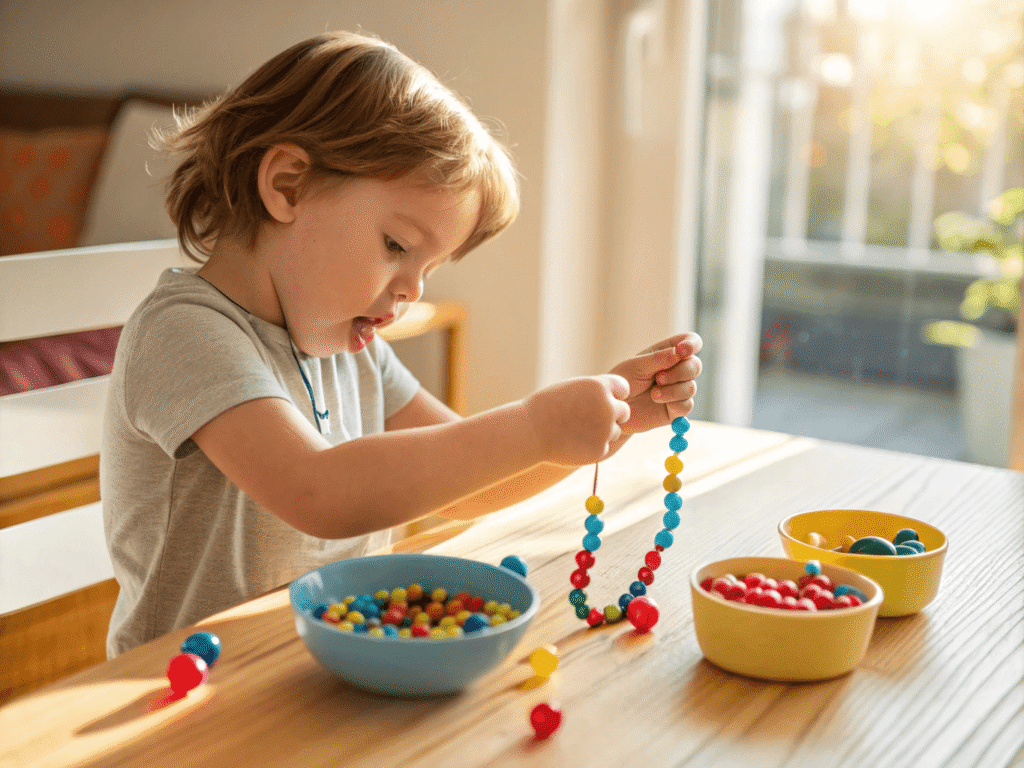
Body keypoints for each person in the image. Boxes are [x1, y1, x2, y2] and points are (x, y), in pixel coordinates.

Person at [101, 30, 703, 657]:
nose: (411, 289)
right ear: (287, 186)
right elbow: (321, 493)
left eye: (430, 268)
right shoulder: (185, 332)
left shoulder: (352, 350)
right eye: (396, 247)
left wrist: (609, 423)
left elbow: (476, 488)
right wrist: (536, 424)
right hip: (184, 693)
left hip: (320, 668)